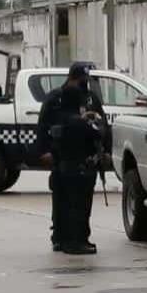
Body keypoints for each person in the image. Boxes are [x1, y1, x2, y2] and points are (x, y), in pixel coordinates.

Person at [36, 63, 109, 251]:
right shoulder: (56, 98)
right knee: (64, 199)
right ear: (71, 77)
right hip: (61, 155)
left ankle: (77, 237)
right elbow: (43, 126)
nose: (82, 84)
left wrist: (105, 151)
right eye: (79, 80)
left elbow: (103, 126)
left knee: (79, 202)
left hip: (86, 156)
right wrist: (43, 151)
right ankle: (61, 237)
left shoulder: (91, 99)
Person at [50, 85, 105, 254]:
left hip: (63, 169)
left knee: (65, 206)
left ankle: (63, 240)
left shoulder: (59, 118)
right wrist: (95, 120)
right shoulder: (79, 123)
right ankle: (77, 242)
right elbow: (98, 133)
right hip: (80, 171)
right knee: (80, 208)